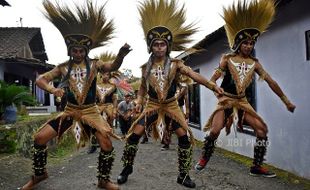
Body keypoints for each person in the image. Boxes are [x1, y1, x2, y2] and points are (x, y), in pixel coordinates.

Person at [21, 1, 131, 190]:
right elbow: (41, 80)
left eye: (81, 50)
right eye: (75, 50)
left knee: (106, 145)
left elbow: (112, 67)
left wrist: (121, 55)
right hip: (70, 111)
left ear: (86, 51)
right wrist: (53, 90)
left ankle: (103, 180)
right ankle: (39, 175)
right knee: (39, 138)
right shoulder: (63, 67)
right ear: (70, 50)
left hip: (91, 112)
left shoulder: (95, 64)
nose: (78, 53)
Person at [116, 0, 223, 188]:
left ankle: (183, 176)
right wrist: (139, 100)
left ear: (168, 46)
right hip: (152, 105)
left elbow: (193, 75)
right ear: (151, 46)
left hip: (172, 105)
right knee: (134, 135)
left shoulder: (176, 64)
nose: (159, 47)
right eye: (156, 44)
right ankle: (127, 168)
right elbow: (142, 88)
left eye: (162, 44)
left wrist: (212, 86)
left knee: (183, 138)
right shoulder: (144, 68)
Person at [194, 0, 296, 178]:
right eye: (246, 43)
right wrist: (215, 88)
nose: (249, 46)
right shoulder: (227, 58)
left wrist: (286, 101)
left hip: (242, 101)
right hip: (226, 100)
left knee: (262, 130)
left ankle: (256, 166)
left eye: (251, 43)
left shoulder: (255, 64)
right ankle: (204, 158)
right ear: (239, 43)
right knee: (215, 130)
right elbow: (213, 79)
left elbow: (271, 81)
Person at [87, 70, 119, 154]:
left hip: (108, 106)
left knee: (107, 124)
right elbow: (92, 97)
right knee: (94, 125)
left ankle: (106, 144)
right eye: (104, 74)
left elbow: (115, 99)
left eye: (107, 74)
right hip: (97, 107)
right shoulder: (95, 85)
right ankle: (93, 145)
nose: (105, 76)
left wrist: (115, 109)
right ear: (101, 75)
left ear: (110, 76)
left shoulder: (113, 86)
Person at [161, 84, 189, 150]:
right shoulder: (169, 87)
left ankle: (183, 143)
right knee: (168, 126)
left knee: (182, 125)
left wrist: (187, 110)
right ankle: (166, 143)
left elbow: (186, 98)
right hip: (169, 108)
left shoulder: (183, 87)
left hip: (179, 108)